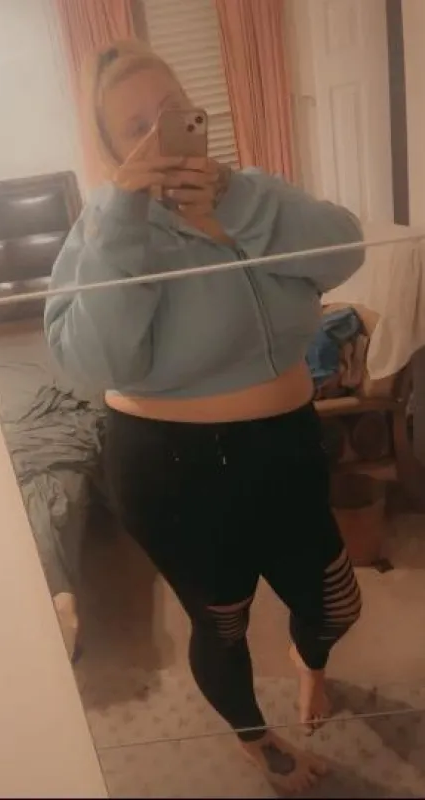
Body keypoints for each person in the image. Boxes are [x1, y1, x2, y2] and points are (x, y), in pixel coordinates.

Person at [45, 39, 364, 794]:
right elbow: (95, 363)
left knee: (336, 603)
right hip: (172, 470)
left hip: (287, 443)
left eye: (171, 112)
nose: (160, 135)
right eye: (136, 128)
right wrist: (124, 228)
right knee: (221, 623)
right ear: (111, 151)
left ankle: (310, 659)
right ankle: (258, 743)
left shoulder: (253, 193)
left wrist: (239, 207)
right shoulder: (99, 237)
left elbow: (345, 252)